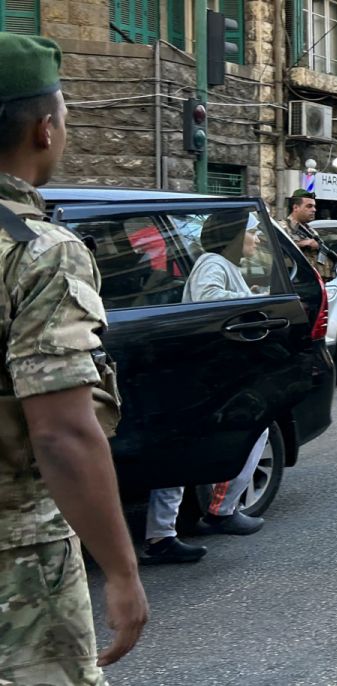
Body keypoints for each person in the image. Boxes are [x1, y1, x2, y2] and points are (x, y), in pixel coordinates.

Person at [0, 34, 148, 681]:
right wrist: (121, 570)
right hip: (17, 552)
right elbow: (61, 432)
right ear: (45, 129)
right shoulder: (40, 252)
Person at [142, 212, 267, 565]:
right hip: (202, 373)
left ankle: (170, 531)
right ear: (232, 234)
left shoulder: (219, 264)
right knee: (194, 448)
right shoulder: (212, 263)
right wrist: (251, 301)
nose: (256, 239)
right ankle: (212, 514)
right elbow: (210, 301)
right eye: (252, 233)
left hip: (206, 372)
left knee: (188, 450)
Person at [283, 189, 337, 281]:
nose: (314, 210)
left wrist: (336, 259)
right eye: (309, 206)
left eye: (314, 206)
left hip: (314, 284)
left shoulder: (311, 232)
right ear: (295, 207)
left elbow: (319, 258)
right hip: (294, 282)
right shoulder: (282, 227)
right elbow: (273, 248)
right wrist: (304, 243)